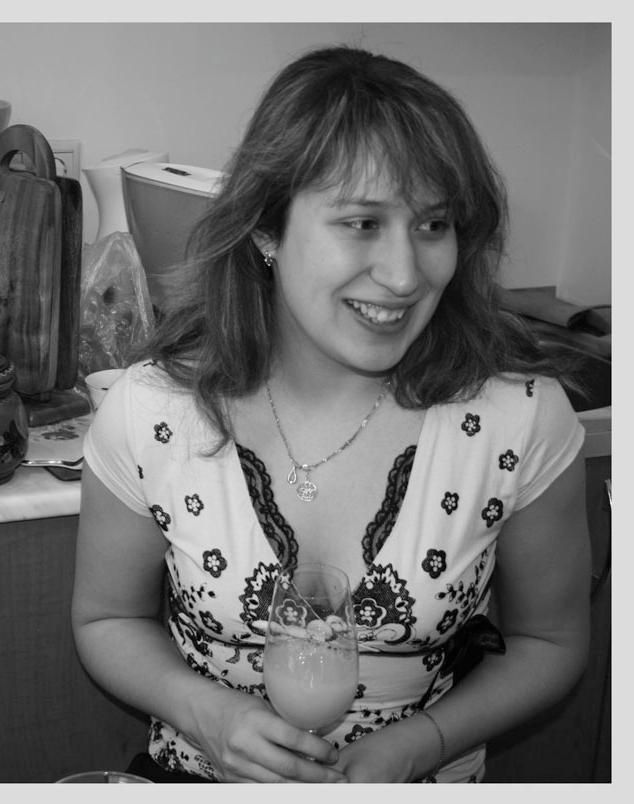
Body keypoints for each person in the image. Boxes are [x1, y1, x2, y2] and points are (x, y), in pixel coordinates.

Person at [71, 45, 591, 783]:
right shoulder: (154, 412)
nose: (405, 276)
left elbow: (551, 642)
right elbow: (107, 620)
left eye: (433, 225)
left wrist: (422, 742)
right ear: (266, 229)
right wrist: (208, 716)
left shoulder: (518, 419)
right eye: (361, 223)